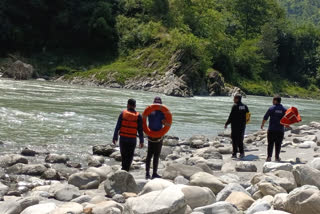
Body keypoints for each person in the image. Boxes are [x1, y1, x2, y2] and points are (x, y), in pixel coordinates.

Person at [113, 99, 144, 171]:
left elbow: (117, 127)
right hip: (132, 139)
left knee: (123, 156)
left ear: (127, 105)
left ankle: (124, 169)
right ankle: (126, 170)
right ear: (135, 106)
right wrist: (141, 141)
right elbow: (140, 130)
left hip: (123, 138)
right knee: (129, 156)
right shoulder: (138, 116)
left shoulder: (123, 113)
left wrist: (115, 137)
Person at [261, 95, 287, 162]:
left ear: (275, 101)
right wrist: (287, 125)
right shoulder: (284, 109)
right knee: (278, 144)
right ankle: (277, 157)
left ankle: (269, 157)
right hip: (280, 130)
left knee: (270, 144)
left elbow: (265, 117)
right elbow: (287, 119)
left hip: (271, 129)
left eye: (273, 100)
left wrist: (262, 124)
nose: (272, 101)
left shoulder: (271, 108)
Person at [145, 97, 165, 179]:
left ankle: (148, 173)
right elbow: (166, 122)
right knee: (155, 155)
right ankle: (153, 173)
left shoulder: (150, 111)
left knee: (150, 155)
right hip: (156, 136)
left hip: (153, 135)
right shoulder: (161, 112)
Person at [225, 94, 250, 159]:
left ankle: (234, 154)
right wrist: (245, 123)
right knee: (240, 139)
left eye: (234, 98)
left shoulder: (235, 106)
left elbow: (231, 116)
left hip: (235, 125)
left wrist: (226, 123)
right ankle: (242, 153)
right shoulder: (245, 106)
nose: (233, 100)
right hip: (242, 126)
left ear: (237, 99)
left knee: (234, 139)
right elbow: (248, 116)